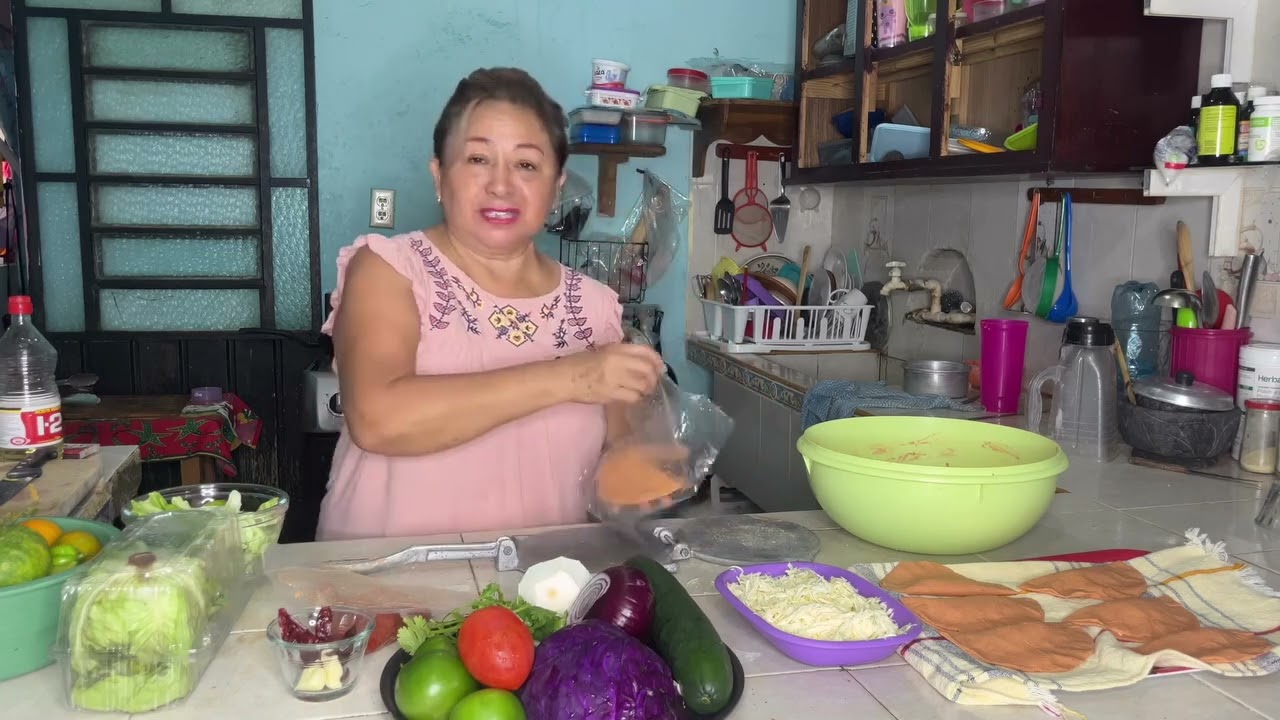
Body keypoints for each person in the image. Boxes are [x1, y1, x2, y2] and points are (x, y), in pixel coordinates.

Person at [317, 68, 666, 540]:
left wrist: (641, 465)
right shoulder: (388, 268)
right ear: (440, 175)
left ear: (556, 186)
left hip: (541, 579)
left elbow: (618, 455)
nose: (501, 184)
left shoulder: (595, 307)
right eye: (478, 158)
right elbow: (377, 420)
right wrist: (575, 377)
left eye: (526, 165)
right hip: (387, 574)